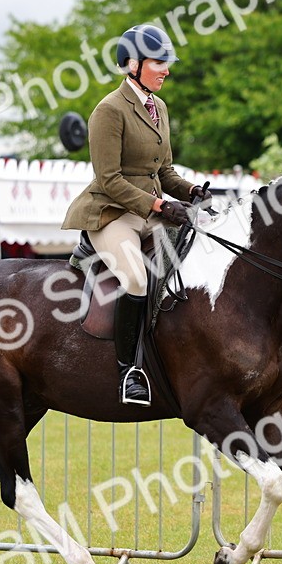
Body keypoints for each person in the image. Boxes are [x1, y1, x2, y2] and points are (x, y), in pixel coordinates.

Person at [61, 23, 210, 406]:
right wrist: (160, 205)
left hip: (151, 211)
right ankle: (129, 370)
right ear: (131, 63)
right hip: (113, 214)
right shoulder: (108, 111)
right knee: (137, 279)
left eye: (167, 62)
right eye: (159, 62)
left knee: (197, 255)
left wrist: (191, 190)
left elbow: (164, 172)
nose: (166, 69)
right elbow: (109, 180)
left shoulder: (158, 107)